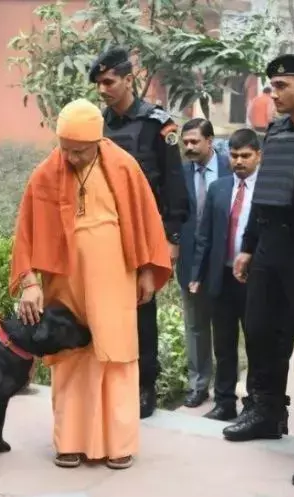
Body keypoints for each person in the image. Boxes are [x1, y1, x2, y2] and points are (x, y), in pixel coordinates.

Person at [9, 98, 172, 470]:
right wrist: (30, 281)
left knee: (115, 355)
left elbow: (147, 220)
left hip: (115, 276)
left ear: (97, 142)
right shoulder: (46, 173)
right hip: (65, 281)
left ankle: (119, 444)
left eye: (80, 151)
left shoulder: (124, 167)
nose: (72, 158)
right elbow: (26, 232)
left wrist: (148, 269)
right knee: (70, 354)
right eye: (65, 149)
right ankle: (70, 441)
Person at [222, 53, 294, 443]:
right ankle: (266, 412)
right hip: (270, 249)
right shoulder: (274, 131)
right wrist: (249, 246)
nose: (273, 94)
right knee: (260, 333)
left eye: (281, 86)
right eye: (272, 86)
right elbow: (265, 195)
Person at [89, 46, 190, 419]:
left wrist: (172, 237)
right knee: (102, 309)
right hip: (102, 233)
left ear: (128, 79)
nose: (103, 89)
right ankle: (108, 379)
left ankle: (145, 385)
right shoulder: (97, 126)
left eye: (108, 81)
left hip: (145, 233)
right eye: (98, 83)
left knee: (142, 310)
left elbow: (174, 185)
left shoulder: (156, 124)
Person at [189, 129, 260, 420]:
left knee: (256, 343)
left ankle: (255, 404)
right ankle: (225, 402)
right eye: (234, 156)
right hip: (223, 277)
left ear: (258, 156)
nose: (239, 161)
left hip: (255, 280)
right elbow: (205, 236)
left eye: (245, 156)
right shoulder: (219, 188)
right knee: (224, 343)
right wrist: (197, 274)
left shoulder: (267, 187)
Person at [176, 118, 232, 409]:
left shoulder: (230, 168)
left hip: (225, 261)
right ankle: (198, 385)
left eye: (195, 141)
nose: (189, 147)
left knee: (227, 327)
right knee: (196, 326)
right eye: (185, 142)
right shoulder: (180, 173)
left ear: (210, 141)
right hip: (189, 260)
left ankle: (227, 390)